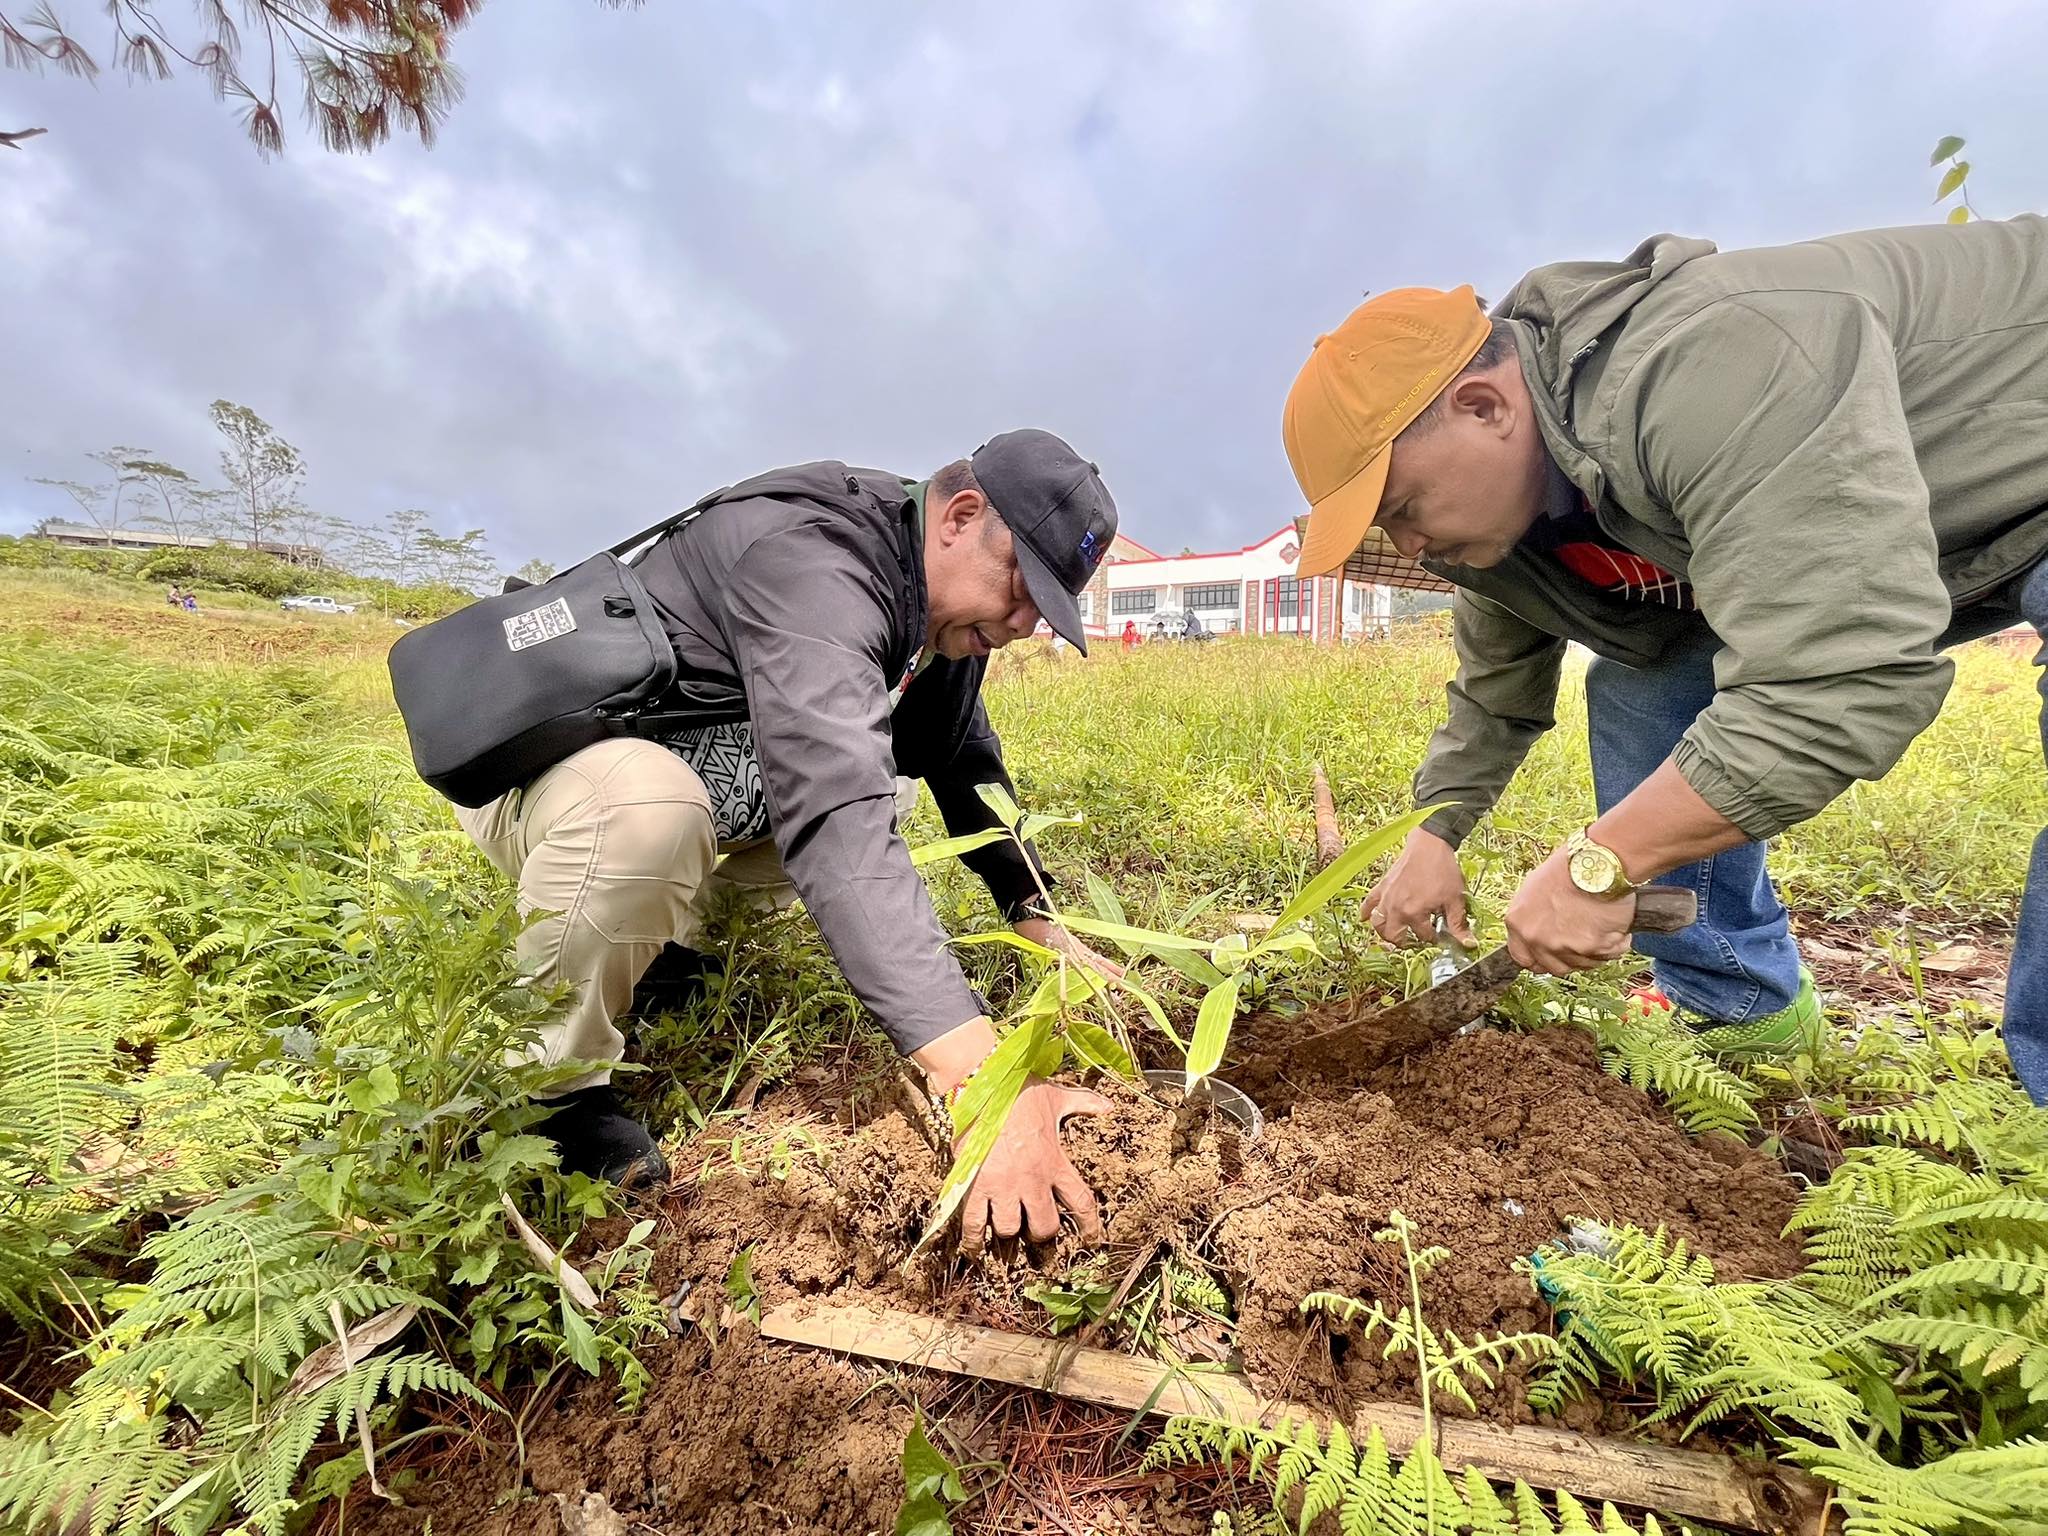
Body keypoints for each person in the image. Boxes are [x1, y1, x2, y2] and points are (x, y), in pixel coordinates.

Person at [1281, 217, 2048, 1098]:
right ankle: (1737, 1012)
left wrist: (1601, 861)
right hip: (1918, 533)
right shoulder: (1495, 539)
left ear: (1485, 407)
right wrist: (1432, 835)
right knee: (1646, 677)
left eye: (1404, 508)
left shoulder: (1705, 365)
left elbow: (1836, 677)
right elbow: (1494, 699)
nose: (1411, 549)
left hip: (2022, 451)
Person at [454, 430, 1130, 1244]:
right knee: (656, 810)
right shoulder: (817, 560)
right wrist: (985, 1084)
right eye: (1022, 587)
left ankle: (661, 952)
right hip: (544, 778)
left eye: (1045, 607)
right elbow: (836, 820)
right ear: (959, 517)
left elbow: (962, 759)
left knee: (889, 787)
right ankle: (551, 1091)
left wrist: (1034, 912)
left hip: (684, 778)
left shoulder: (932, 603)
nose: (1025, 623)